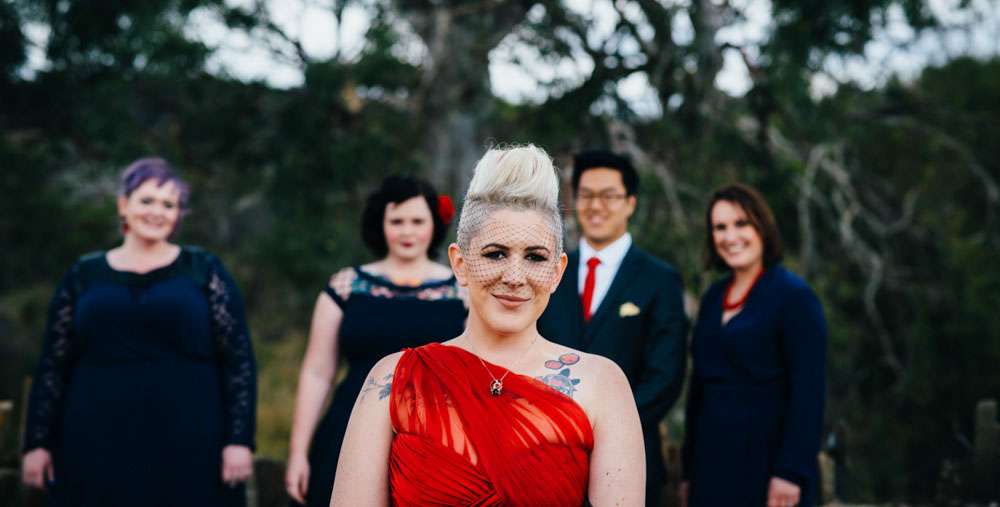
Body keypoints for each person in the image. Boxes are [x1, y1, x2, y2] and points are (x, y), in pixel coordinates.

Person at [331, 144, 646, 507]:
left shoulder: (602, 384)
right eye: (495, 254)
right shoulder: (393, 379)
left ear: (557, 271)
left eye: (535, 257)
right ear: (460, 263)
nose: (514, 276)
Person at [21, 157, 256, 507]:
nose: (157, 212)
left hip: (190, 437)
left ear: (178, 215)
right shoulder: (84, 274)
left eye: (169, 204)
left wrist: (239, 440)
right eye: (147, 200)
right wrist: (37, 443)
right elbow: (54, 365)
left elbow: (238, 360)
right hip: (93, 438)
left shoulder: (204, 270)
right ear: (123, 205)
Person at [285, 175, 465, 506]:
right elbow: (317, 373)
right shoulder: (346, 286)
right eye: (397, 221)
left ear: (434, 225)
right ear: (380, 224)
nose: (407, 231)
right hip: (348, 427)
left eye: (417, 221)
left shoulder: (462, 290)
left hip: (435, 436)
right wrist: (298, 453)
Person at [537, 149, 687, 506]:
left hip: (628, 458)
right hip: (546, 459)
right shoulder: (548, 272)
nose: (596, 206)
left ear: (630, 203)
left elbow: (665, 377)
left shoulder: (660, 280)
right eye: (586, 195)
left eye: (608, 196)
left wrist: (602, 429)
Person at [681, 183, 827, 507]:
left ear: (763, 227)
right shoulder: (713, 298)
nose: (730, 236)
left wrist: (791, 471)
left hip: (769, 470)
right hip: (710, 469)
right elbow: (698, 391)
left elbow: (809, 392)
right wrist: (689, 473)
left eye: (741, 223)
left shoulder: (795, 298)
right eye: (720, 227)